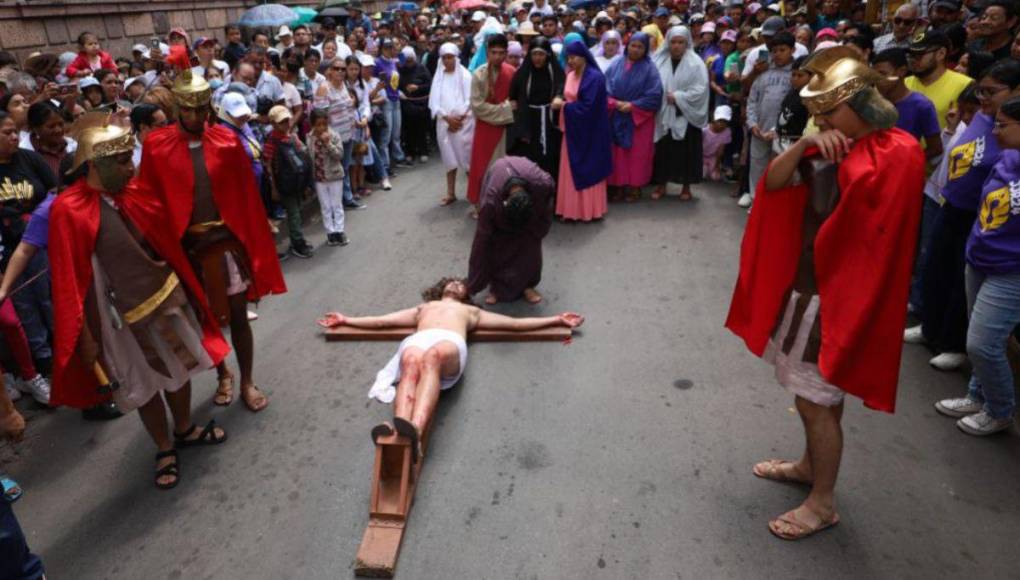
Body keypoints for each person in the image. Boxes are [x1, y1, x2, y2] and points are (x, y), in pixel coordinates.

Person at [726, 46, 926, 540]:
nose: (819, 113)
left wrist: (840, 154)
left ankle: (822, 502)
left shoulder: (899, 152)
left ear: (859, 103)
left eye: (829, 107)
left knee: (817, 401)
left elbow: (875, 241)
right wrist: (808, 144)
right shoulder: (827, 143)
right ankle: (807, 468)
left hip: (840, 299)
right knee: (815, 395)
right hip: (806, 290)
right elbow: (773, 183)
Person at [49, 119, 231, 489]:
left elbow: (168, 243)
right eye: (120, 161)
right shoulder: (68, 210)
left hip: (164, 300)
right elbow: (68, 280)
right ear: (95, 165)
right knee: (141, 383)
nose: (130, 167)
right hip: (116, 317)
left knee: (178, 369)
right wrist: (85, 336)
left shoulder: (135, 193)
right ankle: (163, 446)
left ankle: (182, 428)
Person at [138, 57, 286, 413]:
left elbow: (245, 196)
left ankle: (247, 379)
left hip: (225, 243)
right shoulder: (157, 146)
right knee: (206, 318)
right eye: (192, 108)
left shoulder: (225, 140)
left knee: (237, 315)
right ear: (179, 108)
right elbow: (150, 200)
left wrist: (255, 232)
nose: (200, 115)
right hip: (188, 248)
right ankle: (223, 374)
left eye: (205, 108)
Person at [317, 278, 584, 462]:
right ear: (441, 288)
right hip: (418, 341)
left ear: (466, 295)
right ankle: (399, 433)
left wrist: (556, 319)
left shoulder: (470, 312)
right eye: (452, 282)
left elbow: (513, 324)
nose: (456, 284)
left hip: (448, 345)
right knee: (409, 361)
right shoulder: (425, 307)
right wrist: (346, 320)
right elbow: (381, 321)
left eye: (461, 284)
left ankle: (416, 431)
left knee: (431, 357)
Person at [911, 61, 1020, 371]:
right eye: (980, 90)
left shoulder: (1010, 129)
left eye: (991, 91)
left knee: (962, 285)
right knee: (935, 269)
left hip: (981, 217)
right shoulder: (980, 118)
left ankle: (953, 344)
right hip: (950, 204)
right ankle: (930, 327)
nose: (983, 98)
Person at [934, 94, 1020, 435]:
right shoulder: (1006, 159)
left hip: (1012, 269)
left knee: (982, 343)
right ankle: (976, 395)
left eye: (1003, 125)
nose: (995, 131)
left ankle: (1000, 411)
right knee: (981, 335)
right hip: (980, 256)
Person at [468, 156, 554, 305]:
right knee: (498, 244)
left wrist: (541, 230)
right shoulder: (491, 203)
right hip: (497, 173)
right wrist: (472, 286)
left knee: (530, 241)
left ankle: (528, 285)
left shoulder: (542, 184)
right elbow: (481, 243)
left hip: (529, 196)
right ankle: (496, 288)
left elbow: (547, 205)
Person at [555, 39, 612, 222]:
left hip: (591, 132)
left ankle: (589, 211)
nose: (570, 61)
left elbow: (588, 108)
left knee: (588, 167)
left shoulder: (594, 77)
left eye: (573, 57)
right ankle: (571, 210)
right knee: (570, 169)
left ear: (584, 57)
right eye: (568, 57)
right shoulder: (570, 74)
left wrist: (563, 106)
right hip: (573, 129)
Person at [652, 26, 709, 202]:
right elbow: (652, 82)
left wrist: (678, 97)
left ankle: (686, 186)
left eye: (680, 42)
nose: (676, 46)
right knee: (663, 151)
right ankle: (661, 185)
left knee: (687, 152)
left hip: (686, 114)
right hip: (664, 114)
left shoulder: (696, 64)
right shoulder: (659, 60)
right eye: (673, 42)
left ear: (687, 43)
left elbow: (701, 90)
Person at [604, 32, 662, 202]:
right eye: (633, 45)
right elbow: (604, 88)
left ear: (645, 50)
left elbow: (655, 95)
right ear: (627, 46)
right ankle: (619, 186)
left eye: (640, 47)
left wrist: (633, 106)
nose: (635, 50)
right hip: (617, 115)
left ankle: (635, 187)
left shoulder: (650, 69)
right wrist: (614, 103)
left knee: (637, 155)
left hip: (639, 119)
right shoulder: (616, 64)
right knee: (618, 154)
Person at [741, 31, 795, 210]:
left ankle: (773, 205)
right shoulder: (763, 72)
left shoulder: (796, 74)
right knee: (757, 166)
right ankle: (756, 201)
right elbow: (752, 100)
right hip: (759, 128)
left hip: (781, 132)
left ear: (792, 50)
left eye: (783, 50)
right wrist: (752, 123)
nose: (778, 54)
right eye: (775, 51)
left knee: (779, 169)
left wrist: (777, 129)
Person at [467, 33, 516, 217]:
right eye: (494, 52)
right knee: (483, 168)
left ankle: (503, 204)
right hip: (485, 129)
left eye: (501, 53)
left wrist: (507, 111)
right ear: (487, 52)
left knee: (505, 168)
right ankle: (481, 204)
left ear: (506, 53)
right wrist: (505, 110)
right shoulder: (478, 74)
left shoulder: (511, 72)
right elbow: (477, 107)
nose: (497, 56)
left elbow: (517, 102)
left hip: (505, 130)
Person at [508, 37, 565, 180]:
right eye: (534, 54)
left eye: (541, 54)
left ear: (548, 55)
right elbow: (513, 94)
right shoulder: (523, 73)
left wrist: (559, 96)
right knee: (530, 158)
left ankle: (552, 194)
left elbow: (562, 87)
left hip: (549, 121)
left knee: (551, 157)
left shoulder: (555, 71)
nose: (537, 58)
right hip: (529, 121)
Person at [873, 48, 944, 161]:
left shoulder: (922, 106)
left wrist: (906, 163)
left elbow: (936, 148)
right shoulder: (872, 102)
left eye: (883, 74)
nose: (878, 80)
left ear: (901, 71)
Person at [263, 105, 314, 259]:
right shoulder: (271, 142)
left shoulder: (292, 136)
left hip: (297, 182)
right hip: (284, 184)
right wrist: (274, 189)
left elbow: (302, 153)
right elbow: (268, 166)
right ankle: (298, 243)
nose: (286, 124)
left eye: (287, 120)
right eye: (281, 122)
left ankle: (296, 239)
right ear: (273, 123)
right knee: (294, 214)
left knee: (297, 211)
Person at [429, 43, 474, 206]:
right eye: (444, 58)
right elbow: (434, 101)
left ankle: (474, 195)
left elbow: (470, 100)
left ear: (456, 57)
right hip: (444, 123)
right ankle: (451, 193)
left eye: (450, 57)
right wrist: (447, 118)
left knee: (467, 160)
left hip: (464, 124)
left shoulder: (465, 75)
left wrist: (458, 119)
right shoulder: (439, 76)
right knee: (449, 159)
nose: (447, 61)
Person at [905, 30, 973, 131]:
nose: (913, 60)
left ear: (941, 54)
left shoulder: (965, 85)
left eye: (919, 55)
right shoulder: (903, 83)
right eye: (911, 55)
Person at [307, 108, 348, 247]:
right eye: (318, 125)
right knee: (325, 206)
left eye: (324, 124)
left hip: (335, 175)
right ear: (313, 124)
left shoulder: (334, 135)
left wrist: (328, 143)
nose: (321, 128)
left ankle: (339, 231)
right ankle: (330, 233)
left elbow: (339, 155)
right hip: (319, 177)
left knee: (336, 205)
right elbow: (309, 155)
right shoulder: (310, 137)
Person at [398, 47, 432, 164]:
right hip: (406, 103)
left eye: (410, 60)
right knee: (408, 129)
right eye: (406, 61)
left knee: (421, 129)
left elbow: (429, 85)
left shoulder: (422, 68)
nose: (408, 63)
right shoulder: (401, 70)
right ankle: (410, 152)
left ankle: (423, 151)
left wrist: (418, 87)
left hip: (420, 103)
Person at [703, 105, 734, 181]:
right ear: (714, 119)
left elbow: (720, 151)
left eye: (725, 122)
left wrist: (717, 166)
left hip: (713, 157)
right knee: (702, 174)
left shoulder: (727, 132)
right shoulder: (704, 130)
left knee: (716, 177)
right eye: (720, 120)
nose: (722, 124)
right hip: (701, 156)